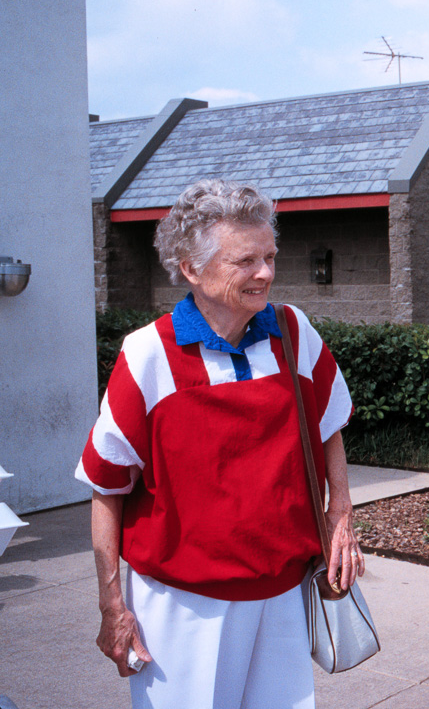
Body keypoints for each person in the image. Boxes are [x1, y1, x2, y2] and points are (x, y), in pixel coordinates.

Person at [76, 180, 361, 708]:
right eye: (245, 260)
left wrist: (339, 510)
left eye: (270, 256)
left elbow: (329, 425)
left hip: (281, 595)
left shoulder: (294, 331)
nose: (266, 274)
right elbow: (106, 485)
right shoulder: (147, 355)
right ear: (190, 267)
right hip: (181, 609)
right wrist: (112, 604)